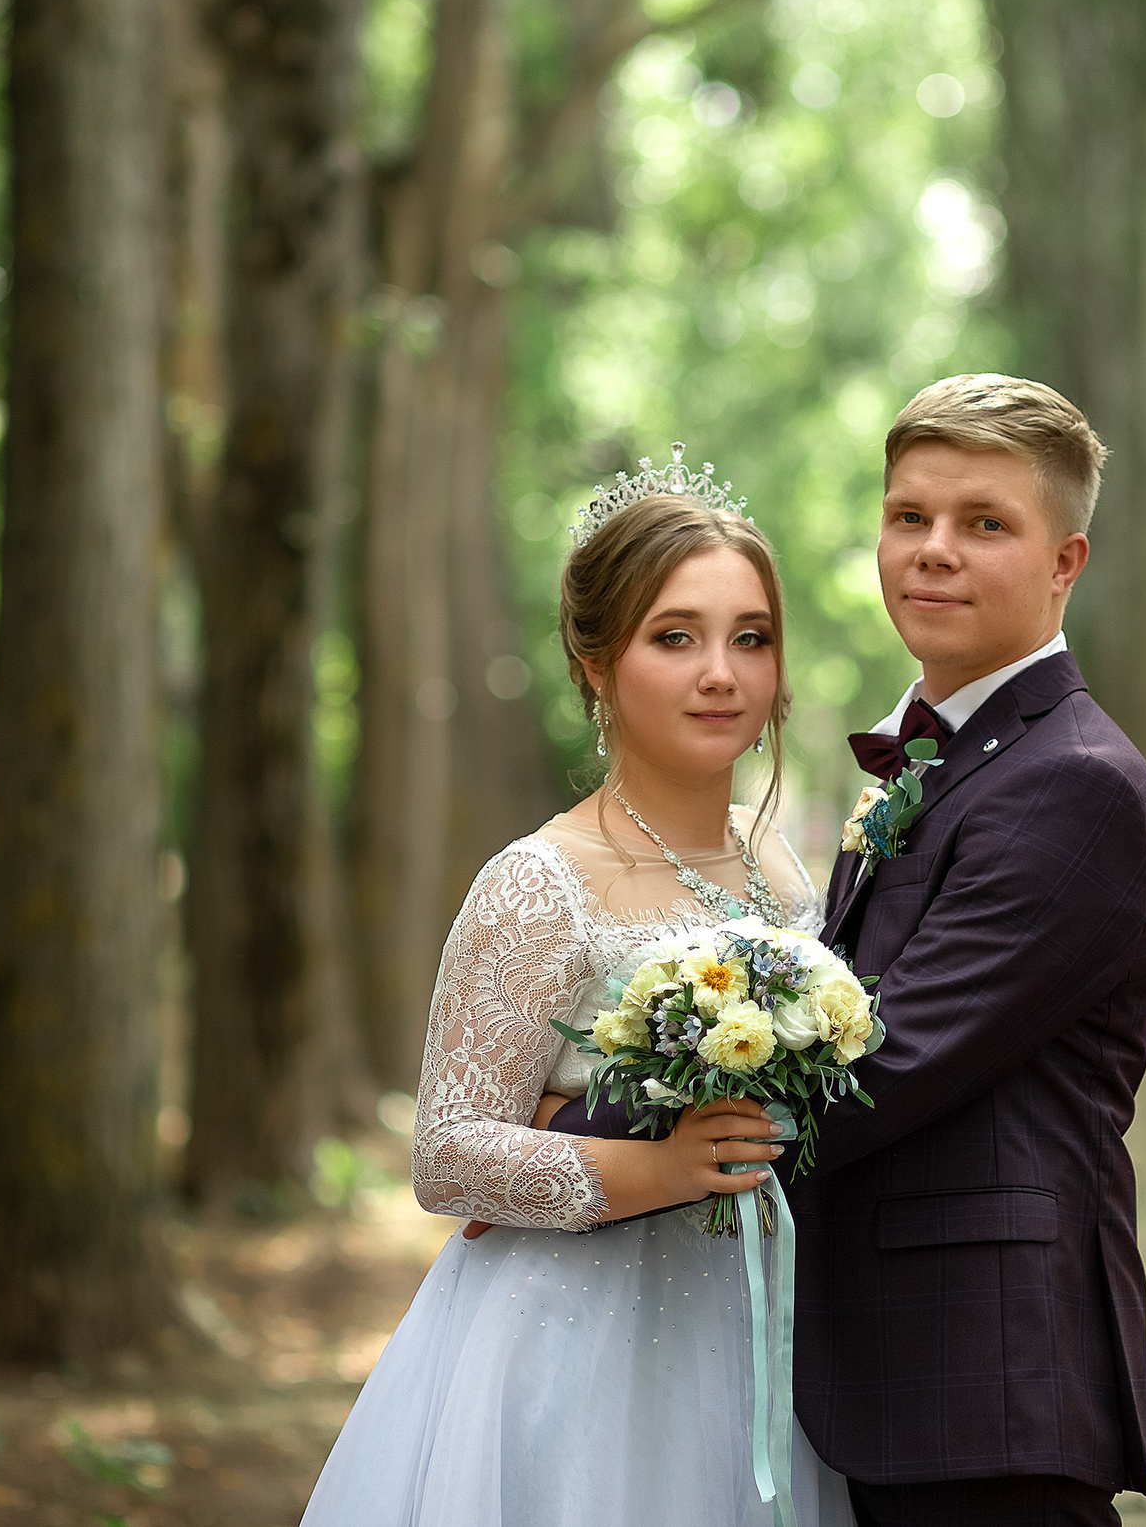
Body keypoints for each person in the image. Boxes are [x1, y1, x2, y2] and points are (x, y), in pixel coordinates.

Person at [544, 375, 1146, 1527]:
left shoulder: (1069, 786)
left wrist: (575, 1144)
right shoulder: (939, 760)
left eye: (984, 523)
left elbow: (880, 1062)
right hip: (889, 1370)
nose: (933, 551)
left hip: (982, 1378)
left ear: (1064, 562)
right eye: (909, 517)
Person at [298, 458, 859, 1526]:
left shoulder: (778, 860)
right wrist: (663, 1163)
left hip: (763, 1330)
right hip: (584, 1342)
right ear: (595, 665)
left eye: (749, 637)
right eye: (674, 636)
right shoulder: (536, 883)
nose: (720, 673)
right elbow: (448, 1153)